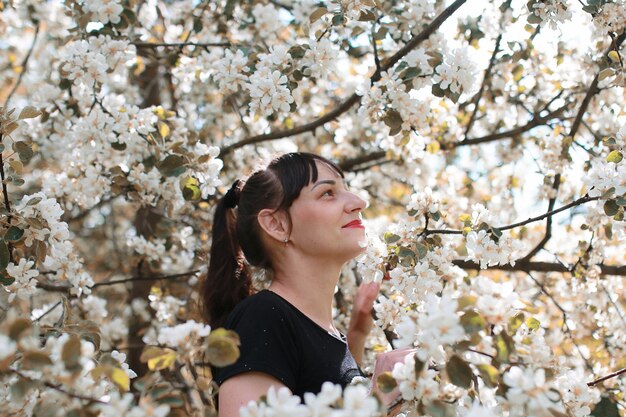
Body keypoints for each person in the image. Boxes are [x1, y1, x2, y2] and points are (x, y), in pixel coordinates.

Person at [201, 152, 407, 417]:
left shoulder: (327, 334)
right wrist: (379, 401)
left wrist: (356, 334)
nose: (359, 202)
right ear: (276, 224)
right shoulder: (264, 318)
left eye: (346, 189)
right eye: (327, 193)